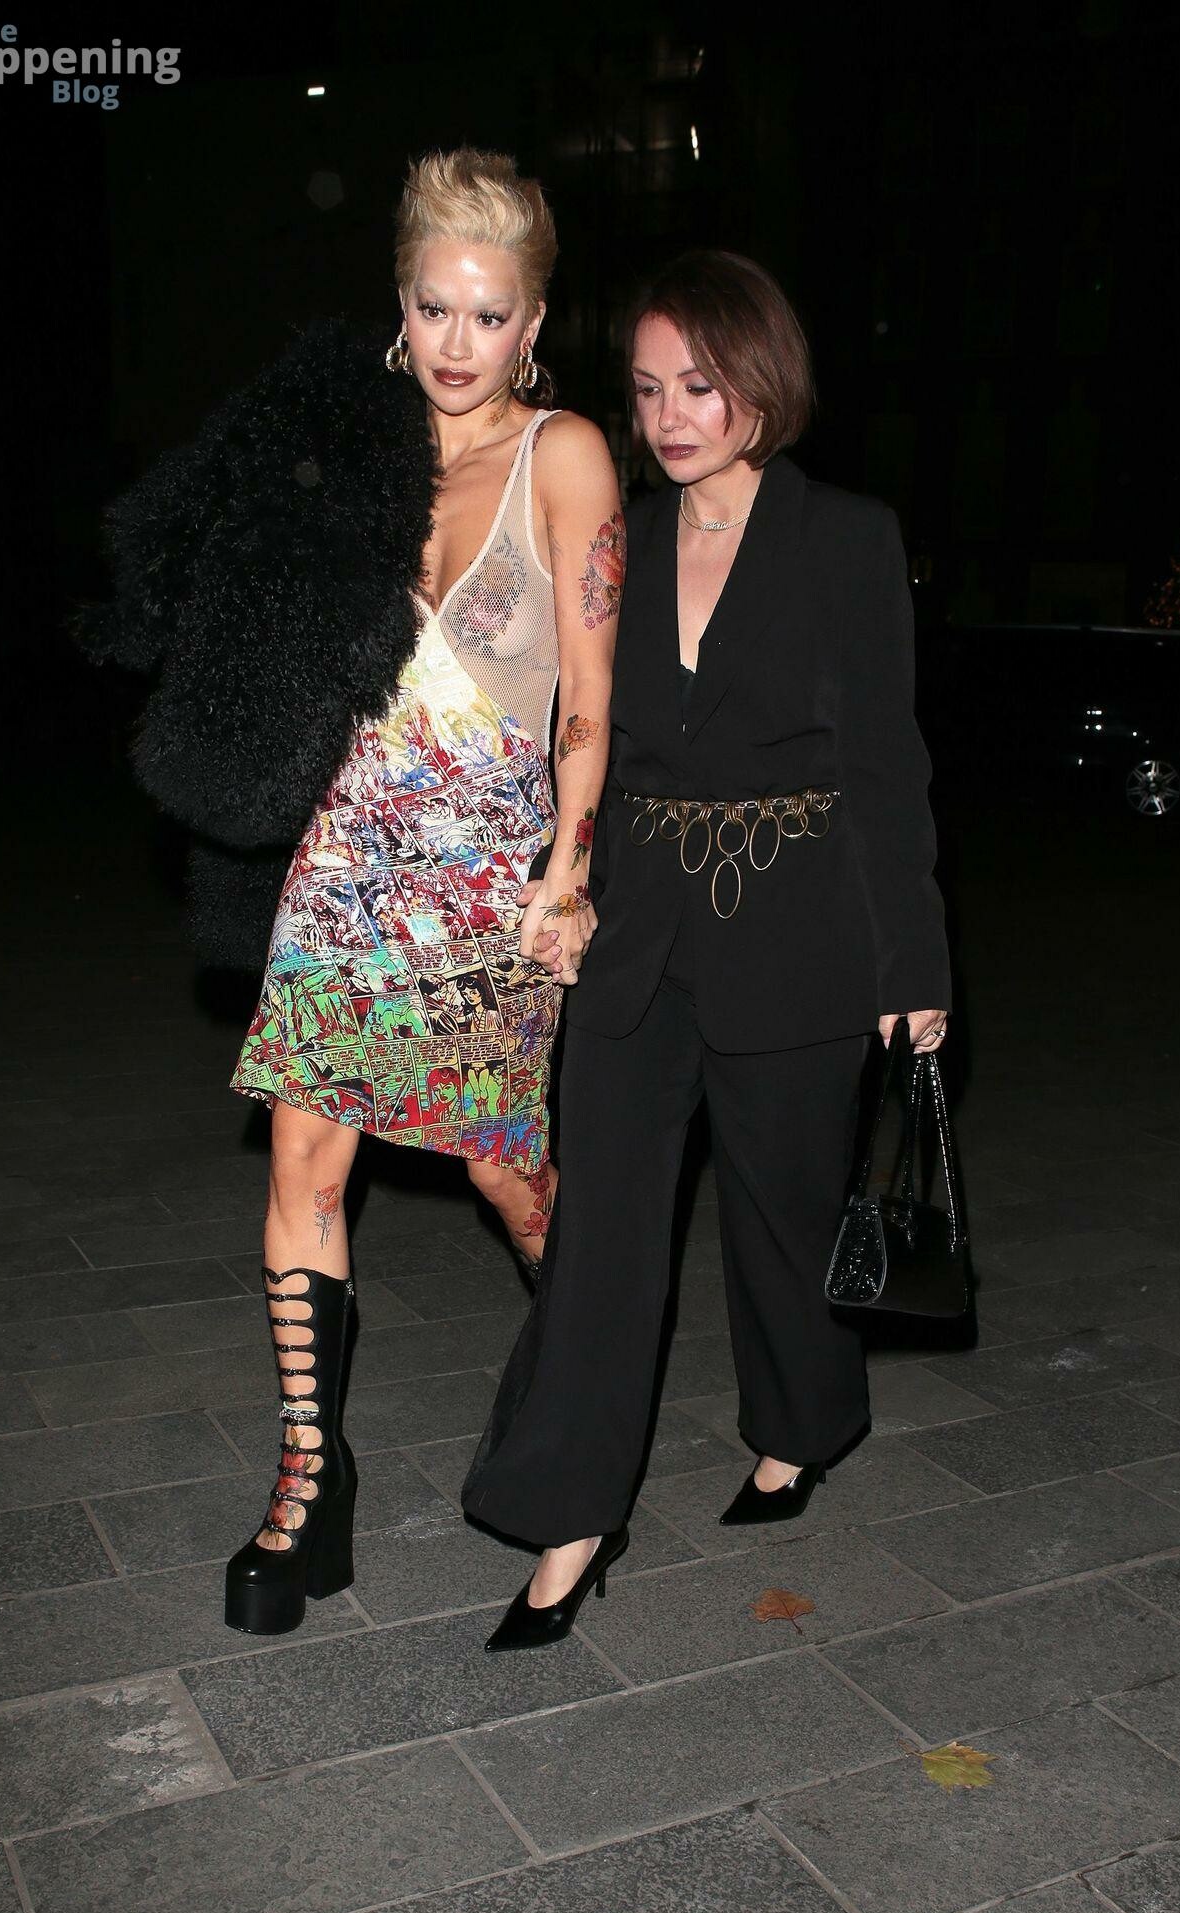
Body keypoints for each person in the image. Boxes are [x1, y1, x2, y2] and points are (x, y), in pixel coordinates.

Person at [86, 149, 622, 1638]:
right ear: (401, 303)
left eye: (491, 316)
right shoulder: (352, 443)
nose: (459, 343)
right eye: (435, 308)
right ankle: (309, 1483)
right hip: (344, 862)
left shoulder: (564, 456)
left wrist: (569, 875)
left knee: (507, 1175)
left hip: (491, 875)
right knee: (304, 1165)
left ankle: (589, 1383)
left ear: (533, 323)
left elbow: (589, 696)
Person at [463, 249, 950, 1651]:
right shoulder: (616, 537)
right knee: (601, 1232)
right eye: (647, 390)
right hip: (638, 934)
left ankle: (801, 1423)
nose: (670, 416)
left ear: (761, 383)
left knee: (782, 1217)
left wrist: (912, 966)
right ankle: (568, 1516)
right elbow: (566, 723)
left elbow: (886, 765)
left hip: (799, 936)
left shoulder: (845, 537)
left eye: (700, 385)